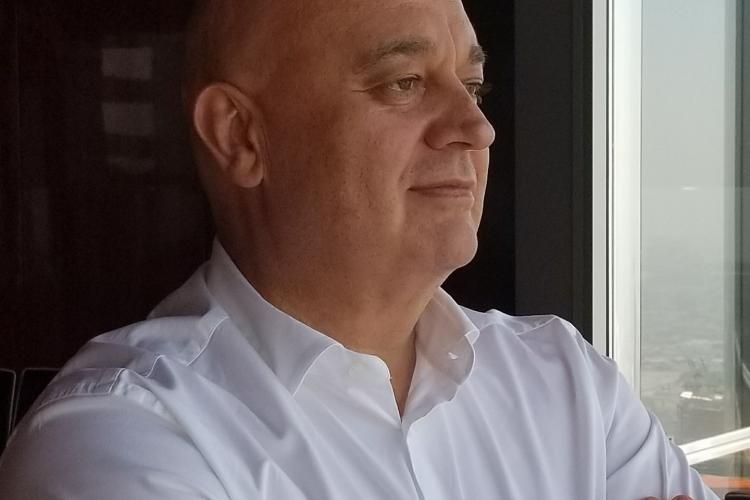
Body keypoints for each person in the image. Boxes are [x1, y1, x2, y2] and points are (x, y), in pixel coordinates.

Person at [0, 0, 718, 498]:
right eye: (405, 83)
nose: (476, 127)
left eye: (472, 85)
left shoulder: (566, 384)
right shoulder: (114, 439)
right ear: (241, 137)